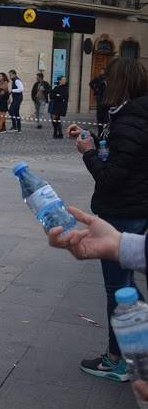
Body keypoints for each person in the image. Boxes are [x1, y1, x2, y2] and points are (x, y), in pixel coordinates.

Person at [64, 57, 148, 382]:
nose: (103, 83)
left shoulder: (130, 120)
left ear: (120, 82)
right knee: (121, 285)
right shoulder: (130, 115)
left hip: (122, 212)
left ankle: (119, 358)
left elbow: (111, 177)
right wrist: (92, 138)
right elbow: (118, 153)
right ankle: (122, 354)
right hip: (131, 207)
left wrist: (87, 151)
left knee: (118, 288)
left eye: (107, 78)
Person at [48, 206, 148, 404]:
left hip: (124, 207)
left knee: (117, 287)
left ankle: (115, 360)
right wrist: (119, 245)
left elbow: (112, 176)